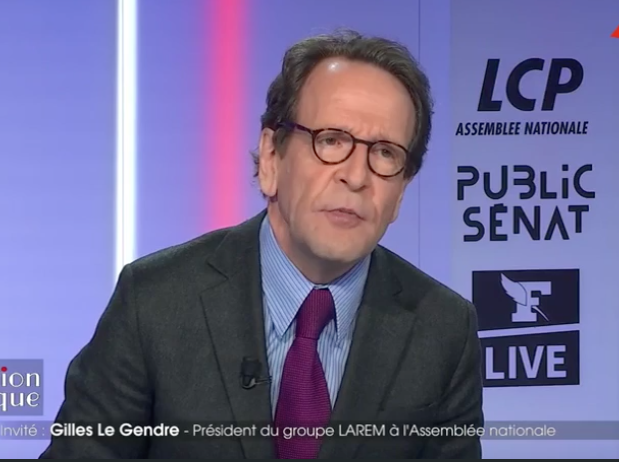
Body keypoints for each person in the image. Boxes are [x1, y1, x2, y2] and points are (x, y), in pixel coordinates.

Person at [40, 29, 483, 459]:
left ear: (401, 192)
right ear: (272, 157)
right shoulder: (154, 302)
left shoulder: (444, 330)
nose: (356, 175)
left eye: (385, 153)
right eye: (331, 140)